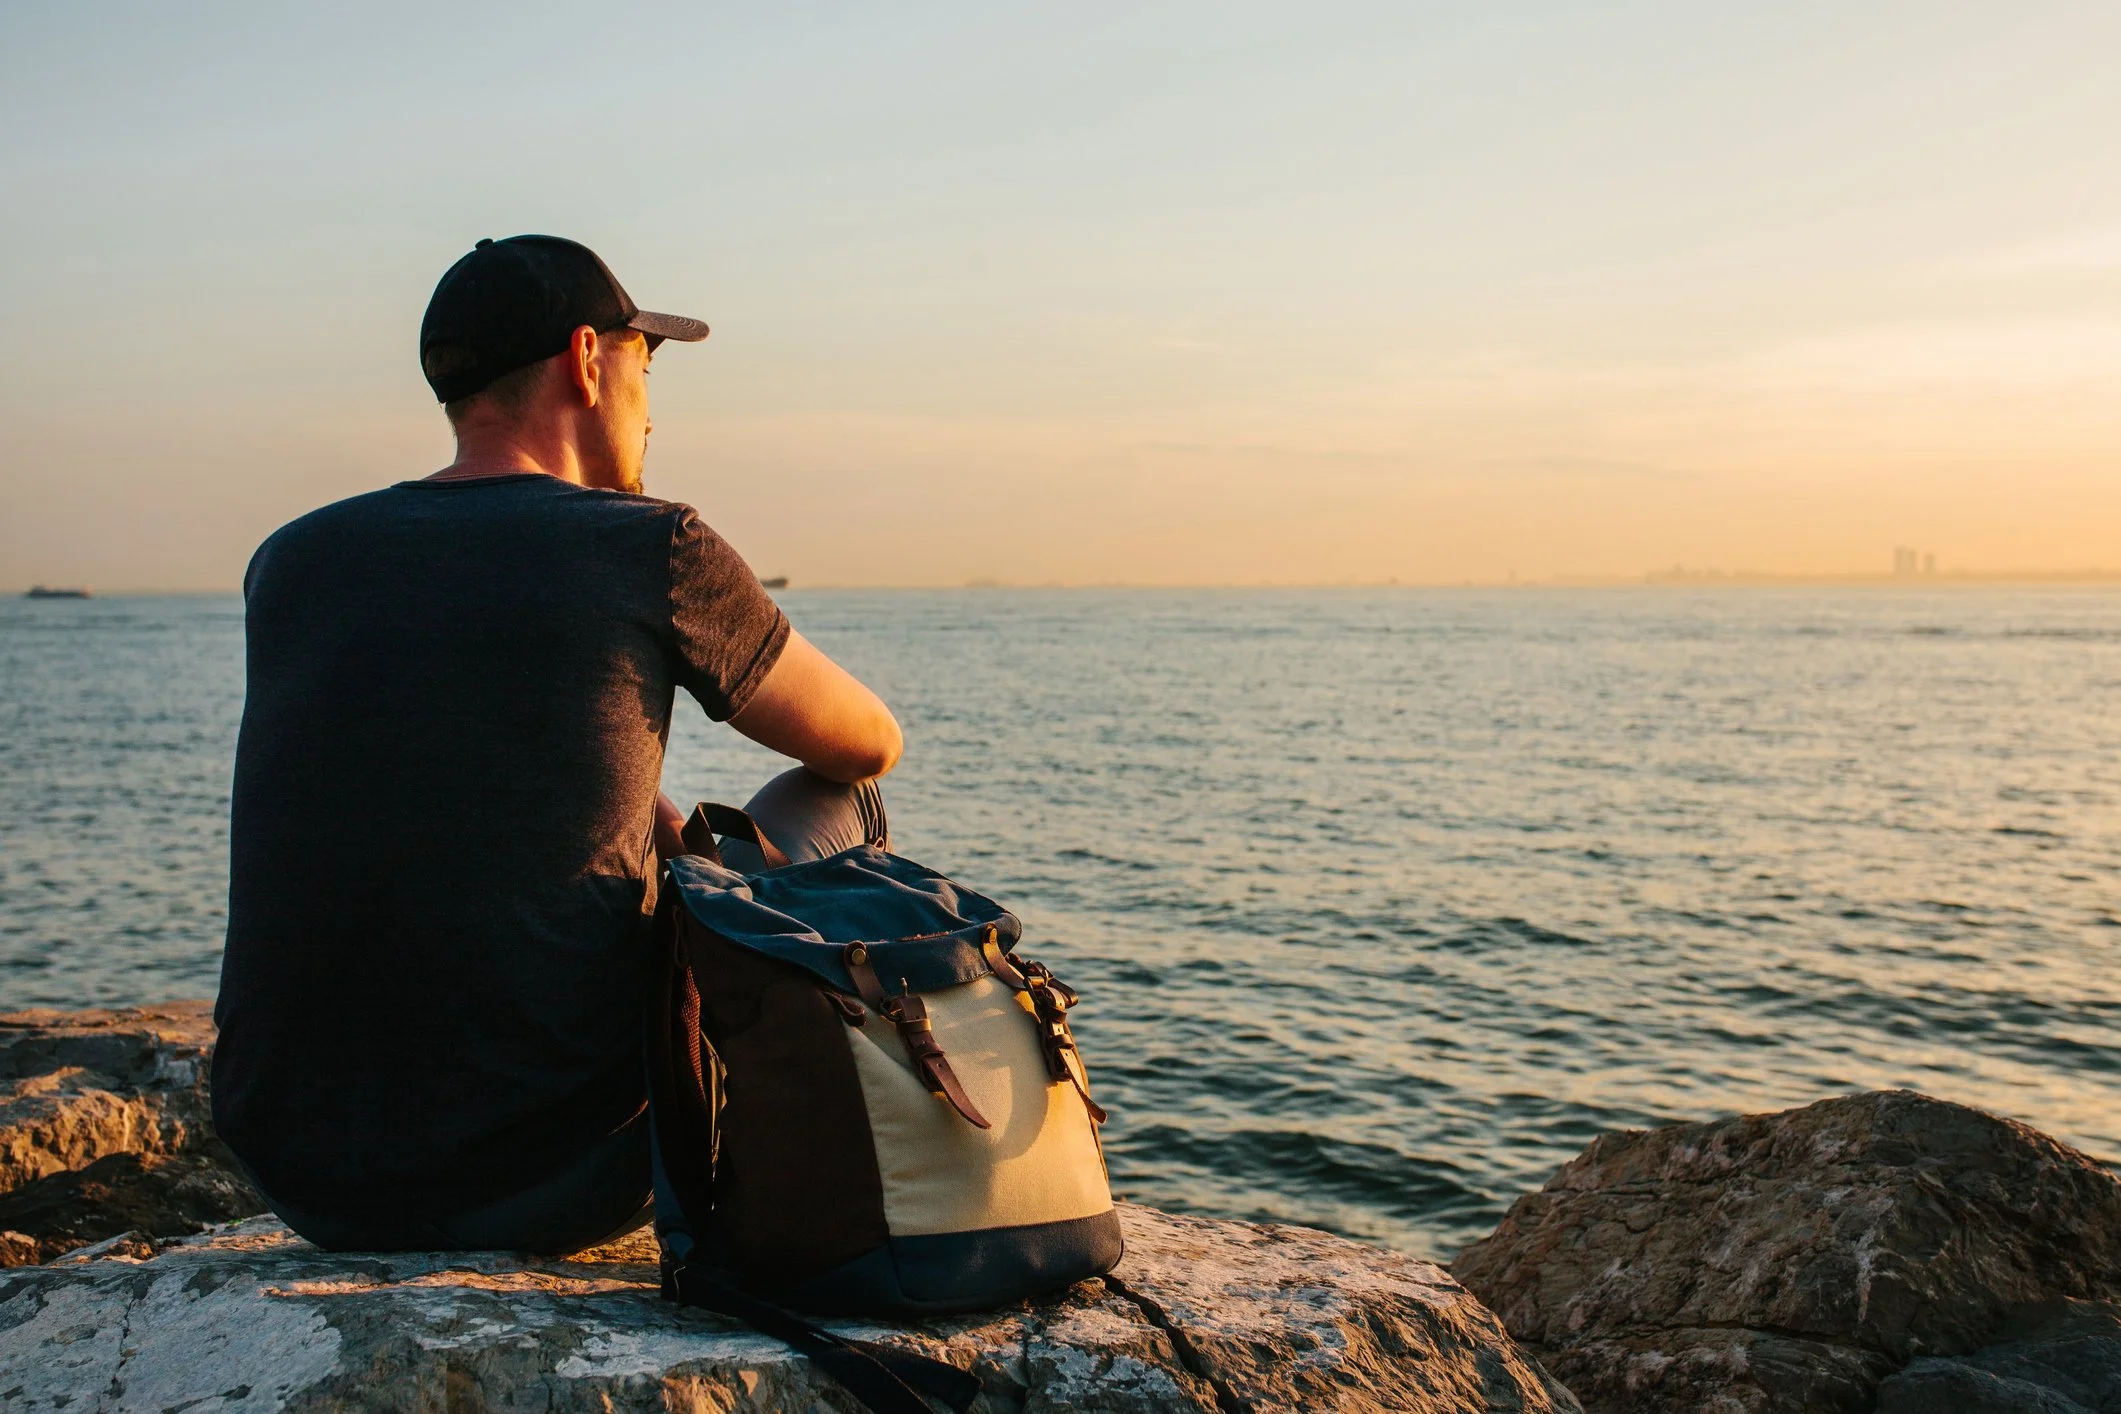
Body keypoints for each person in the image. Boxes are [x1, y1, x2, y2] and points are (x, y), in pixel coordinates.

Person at [212, 235, 902, 1253]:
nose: (653, 408)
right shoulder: (651, 543)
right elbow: (868, 739)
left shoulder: (291, 558)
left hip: (300, 1176)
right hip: (547, 1179)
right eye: (646, 365)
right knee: (845, 799)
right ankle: (847, 1179)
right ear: (589, 359)